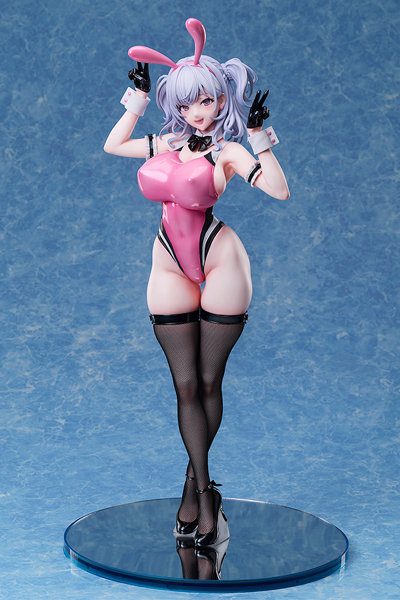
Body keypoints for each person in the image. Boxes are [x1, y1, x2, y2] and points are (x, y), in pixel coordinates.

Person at [104, 18, 289, 550]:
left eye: (206, 100)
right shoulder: (166, 141)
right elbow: (113, 145)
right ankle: (204, 490)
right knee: (185, 386)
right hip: (168, 259)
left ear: (221, 98)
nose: (198, 111)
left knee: (209, 382)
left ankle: (197, 491)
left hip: (218, 256)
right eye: (187, 103)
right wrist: (136, 100)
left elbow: (279, 191)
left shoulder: (226, 151)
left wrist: (259, 136)